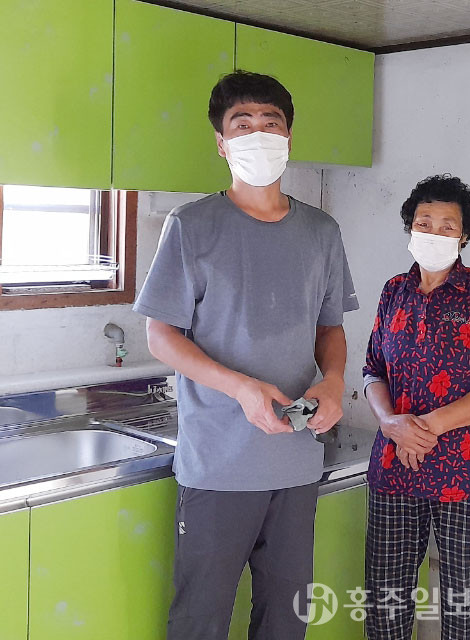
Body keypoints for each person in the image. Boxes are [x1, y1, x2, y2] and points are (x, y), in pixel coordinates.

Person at [133, 70, 359, 640]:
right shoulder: (192, 227)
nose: (258, 134)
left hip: (296, 459)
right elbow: (161, 335)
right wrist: (240, 387)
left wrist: (334, 380)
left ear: (289, 137)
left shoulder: (321, 232)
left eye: (271, 123)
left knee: (286, 619)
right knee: (200, 620)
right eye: (243, 125)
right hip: (219, 463)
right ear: (222, 142)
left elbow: (330, 328)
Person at [362, 175, 470, 640]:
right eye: (424, 222)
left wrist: (426, 426)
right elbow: (372, 371)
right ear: (410, 228)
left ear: (464, 236)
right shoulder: (394, 291)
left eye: (447, 225)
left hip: (469, 474)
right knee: (385, 607)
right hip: (396, 468)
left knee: (465, 612)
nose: (434, 232)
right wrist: (390, 423)